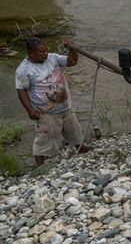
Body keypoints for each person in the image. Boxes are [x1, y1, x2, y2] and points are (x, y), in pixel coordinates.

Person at [15, 37, 89, 166]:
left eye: (46, 50)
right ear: (31, 53)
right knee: (45, 136)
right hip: (45, 110)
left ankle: (81, 148)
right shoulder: (23, 70)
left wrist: (72, 49)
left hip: (64, 105)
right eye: (41, 52)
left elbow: (72, 61)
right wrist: (30, 110)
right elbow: (22, 91)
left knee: (73, 129)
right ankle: (40, 165)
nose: (45, 54)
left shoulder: (52, 58)